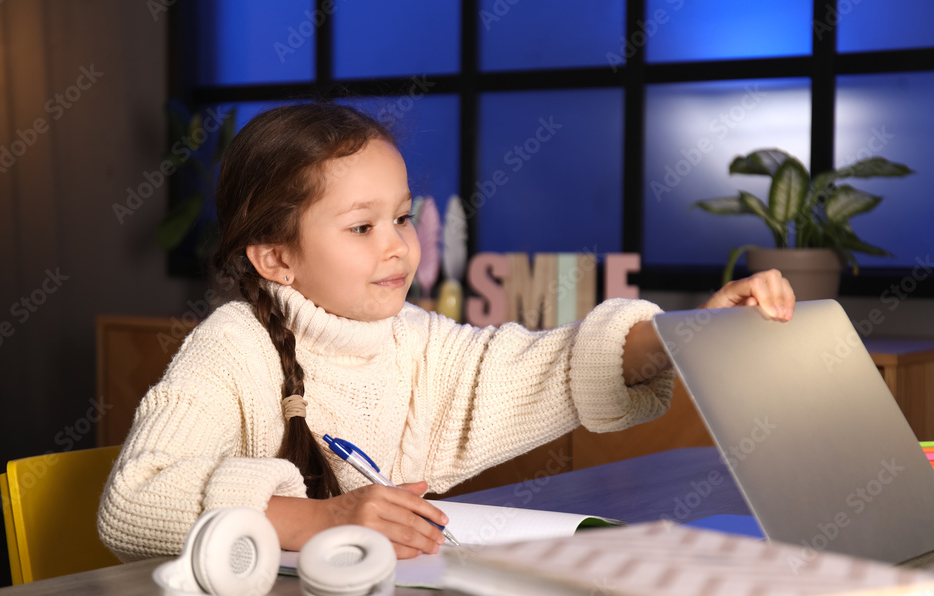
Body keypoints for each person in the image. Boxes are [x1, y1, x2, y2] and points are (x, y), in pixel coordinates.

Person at [97, 103, 794, 562]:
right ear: (275, 256)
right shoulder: (232, 345)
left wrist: (683, 334)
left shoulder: (417, 340)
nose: (397, 246)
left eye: (402, 218)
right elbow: (132, 502)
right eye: (362, 227)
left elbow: (547, 366)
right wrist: (326, 517)